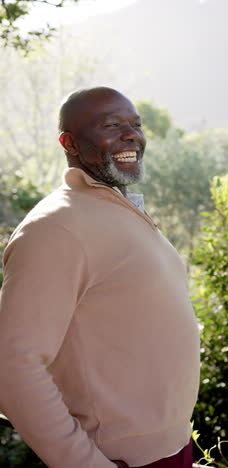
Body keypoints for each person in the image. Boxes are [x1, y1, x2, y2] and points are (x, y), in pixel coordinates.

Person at [0, 87, 200, 468]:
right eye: (112, 124)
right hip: (119, 461)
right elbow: (12, 367)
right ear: (69, 142)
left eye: (135, 125)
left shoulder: (117, 208)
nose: (131, 135)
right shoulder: (55, 228)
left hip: (173, 450)